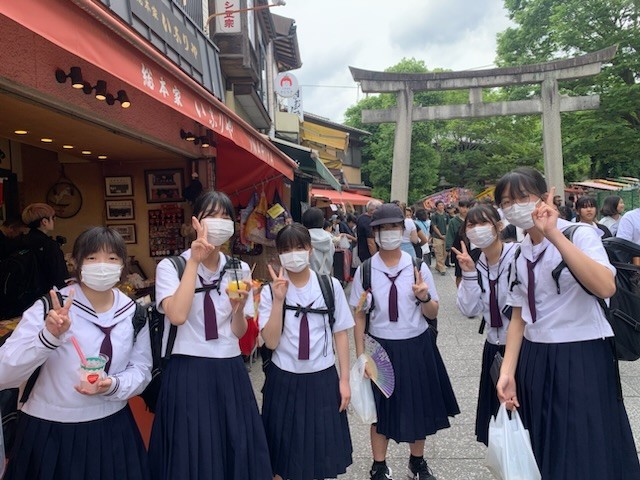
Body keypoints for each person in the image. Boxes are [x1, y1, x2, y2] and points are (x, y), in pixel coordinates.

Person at [495, 167, 640, 479]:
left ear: (544, 196)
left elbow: (605, 286)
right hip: (535, 357)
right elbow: (519, 316)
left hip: (582, 354)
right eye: (506, 202)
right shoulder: (519, 253)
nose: (514, 207)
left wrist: (554, 234)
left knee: (584, 445)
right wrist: (507, 372)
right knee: (544, 443)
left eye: (522, 197)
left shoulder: (579, 234)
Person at [0, 226, 152, 480]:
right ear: (77, 263)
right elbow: (4, 372)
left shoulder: (134, 313)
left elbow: (142, 369)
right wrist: (48, 337)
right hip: (48, 432)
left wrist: (113, 385)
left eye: (112, 258)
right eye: (92, 257)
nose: (102, 265)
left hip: (113, 429)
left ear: (122, 265)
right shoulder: (50, 308)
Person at [148, 190, 271, 480]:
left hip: (229, 367)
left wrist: (238, 309)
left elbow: (239, 332)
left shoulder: (239, 268)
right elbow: (177, 315)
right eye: (212, 215)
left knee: (233, 442)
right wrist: (194, 261)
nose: (220, 221)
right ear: (196, 222)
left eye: (225, 216)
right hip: (187, 368)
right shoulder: (172, 267)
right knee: (190, 446)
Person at [349, 203, 459, 480]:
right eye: (383, 228)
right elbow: (359, 315)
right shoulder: (365, 270)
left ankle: (417, 462)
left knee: (417, 404)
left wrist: (424, 296)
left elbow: (433, 312)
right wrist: (361, 356)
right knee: (380, 410)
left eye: (394, 227)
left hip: (416, 344)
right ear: (375, 233)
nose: (389, 233)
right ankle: (379, 465)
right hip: (379, 348)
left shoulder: (417, 267)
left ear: (403, 230)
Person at [259, 223, 353, 480]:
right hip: (283, 378)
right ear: (279, 254)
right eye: (286, 250)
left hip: (322, 378)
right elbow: (270, 342)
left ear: (310, 249)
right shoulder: (269, 292)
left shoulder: (330, 286)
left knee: (319, 451)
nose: (293, 255)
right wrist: (278, 300)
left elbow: (341, 333)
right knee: (280, 452)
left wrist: (344, 380)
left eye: (299, 247)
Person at [452, 205, 519, 445]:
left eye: (483, 223)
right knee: (497, 420)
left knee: (524, 414)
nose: (477, 229)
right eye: (471, 225)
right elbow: (469, 310)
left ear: (498, 226)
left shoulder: (518, 255)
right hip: (494, 347)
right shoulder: (475, 263)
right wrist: (469, 274)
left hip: (524, 347)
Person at [21, 203, 69, 293]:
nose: (54, 220)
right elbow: (60, 276)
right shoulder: (50, 245)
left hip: (23, 293)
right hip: (45, 293)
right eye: (53, 218)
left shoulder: (20, 240)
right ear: (44, 222)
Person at [302, 207, 335, 275]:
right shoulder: (329, 238)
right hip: (325, 278)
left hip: (308, 278)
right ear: (323, 221)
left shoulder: (302, 238)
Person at [446, 199, 471, 287]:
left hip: (471, 249)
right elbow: (450, 235)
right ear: (459, 208)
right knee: (459, 274)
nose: (465, 209)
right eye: (462, 207)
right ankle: (459, 291)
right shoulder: (453, 221)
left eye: (467, 207)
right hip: (459, 250)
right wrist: (449, 248)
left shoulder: (473, 219)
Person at [430, 201, 448, 275]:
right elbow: (434, 227)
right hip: (437, 237)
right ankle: (442, 268)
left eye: (442, 205)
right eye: (439, 205)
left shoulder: (446, 215)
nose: (441, 207)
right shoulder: (434, 216)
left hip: (445, 236)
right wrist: (440, 235)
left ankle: (438, 266)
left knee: (445, 253)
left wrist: (447, 234)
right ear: (436, 207)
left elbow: (447, 225)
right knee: (439, 253)